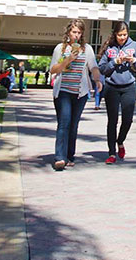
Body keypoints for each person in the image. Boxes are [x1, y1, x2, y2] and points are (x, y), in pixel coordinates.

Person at [49, 19, 101, 171]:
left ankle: (70, 156)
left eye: (79, 32)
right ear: (68, 32)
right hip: (63, 91)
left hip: (80, 93)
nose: (76, 35)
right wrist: (69, 59)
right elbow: (53, 69)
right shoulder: (60, 48)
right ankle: (59, 157)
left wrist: (97, 80)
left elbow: (93, 67)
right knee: (64, 122)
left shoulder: (87, 49)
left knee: (73, 125)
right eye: (74, 32)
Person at [98, 21, 136, 165]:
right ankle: (112, 152)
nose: (122, 38)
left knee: (128, 119)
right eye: (120, 35)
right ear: (115, 34)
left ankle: (120, 141)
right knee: (112, 121)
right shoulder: (110, 47)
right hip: (111, 87)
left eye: (125, 35)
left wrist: (134, 61)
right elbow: (102, 68)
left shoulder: (134, 46)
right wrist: (115, 62)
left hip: (129, 87)